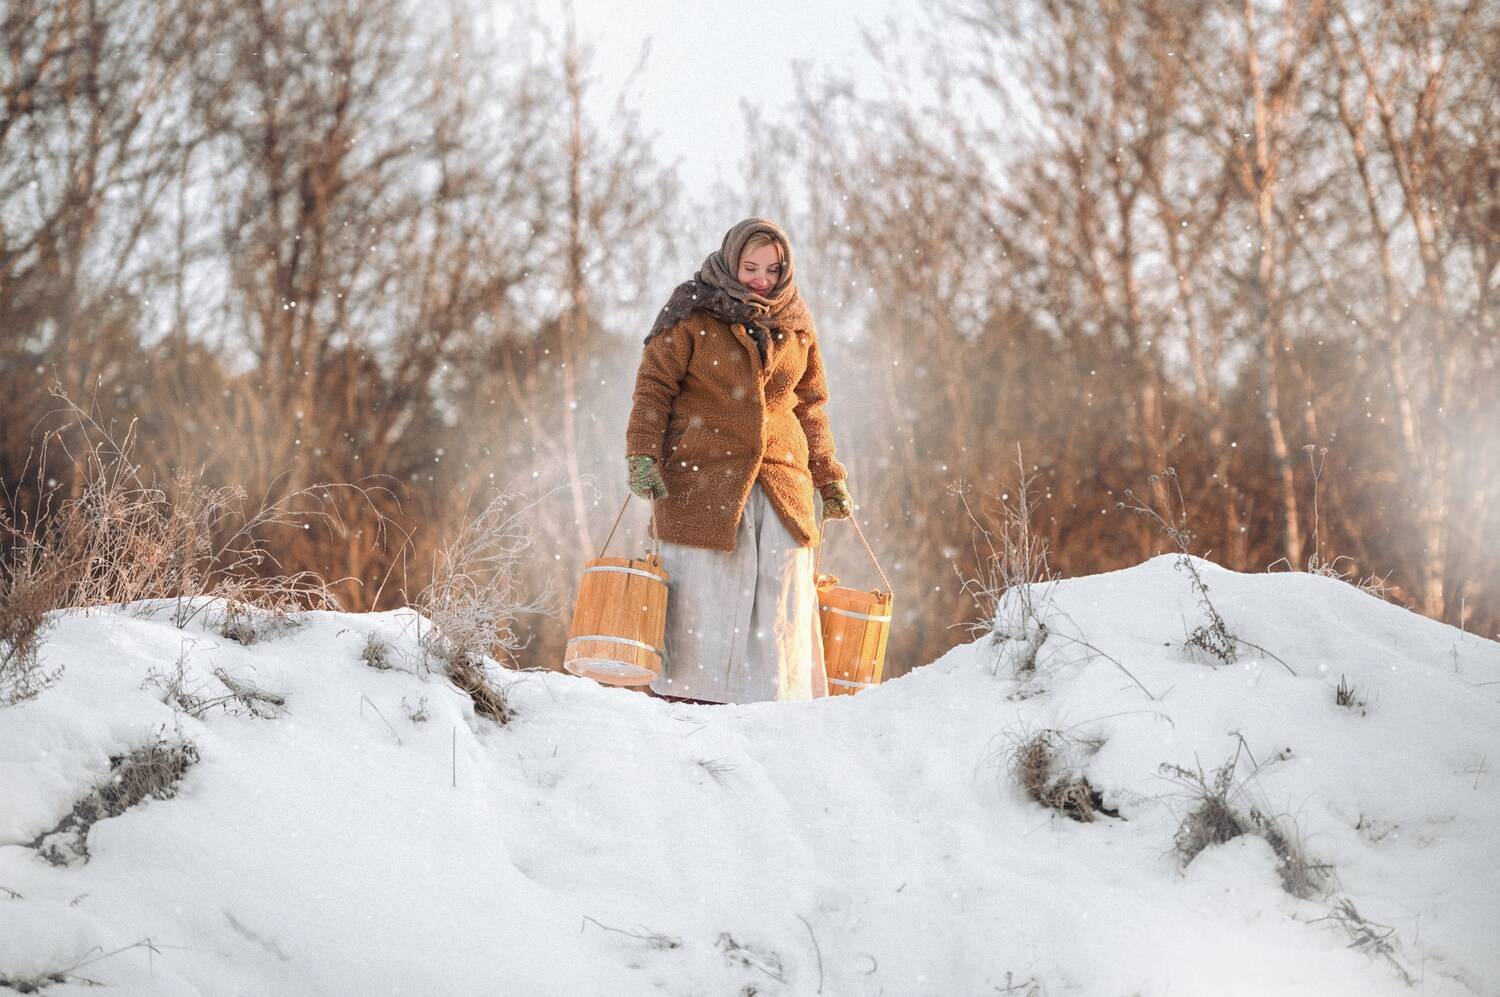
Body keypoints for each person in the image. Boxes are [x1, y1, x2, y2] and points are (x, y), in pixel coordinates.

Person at [624, 217, 853, 705]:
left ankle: (775, 701)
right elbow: (653, 388)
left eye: (772, 270)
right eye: (750, 267)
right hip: (700, 478)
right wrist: (643, 453)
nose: (761, 280)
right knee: (704, 589)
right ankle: (691, 698)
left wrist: (828, 474)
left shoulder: (795, 323)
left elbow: (811, 405)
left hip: (780, 481)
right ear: (730, 260)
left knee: (779, 590)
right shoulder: (690, 312)